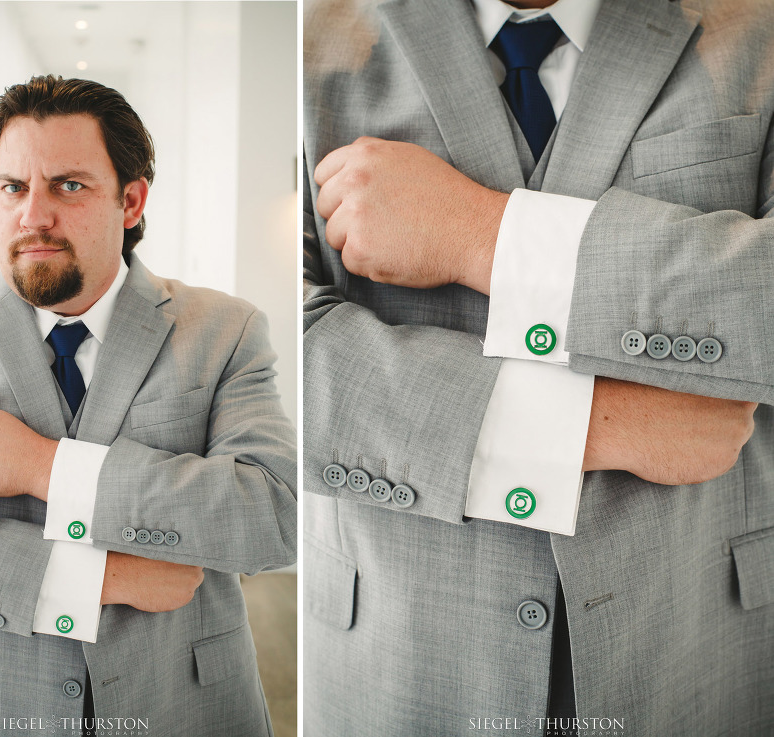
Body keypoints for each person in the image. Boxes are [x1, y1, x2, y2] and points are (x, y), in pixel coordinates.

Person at [303, 0, 773, 734]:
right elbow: (289, 366)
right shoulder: (309, 40)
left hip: (696, 651)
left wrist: (482, 235)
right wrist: (585, 428)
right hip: (397, 663)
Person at [0, 75, 296, 736]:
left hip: (183, 709)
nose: (32, 215)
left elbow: (270, 517)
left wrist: (43, 466)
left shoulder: (224, 330)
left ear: (132, 200)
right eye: (13, 187)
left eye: (69, 185)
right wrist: (104, 578)